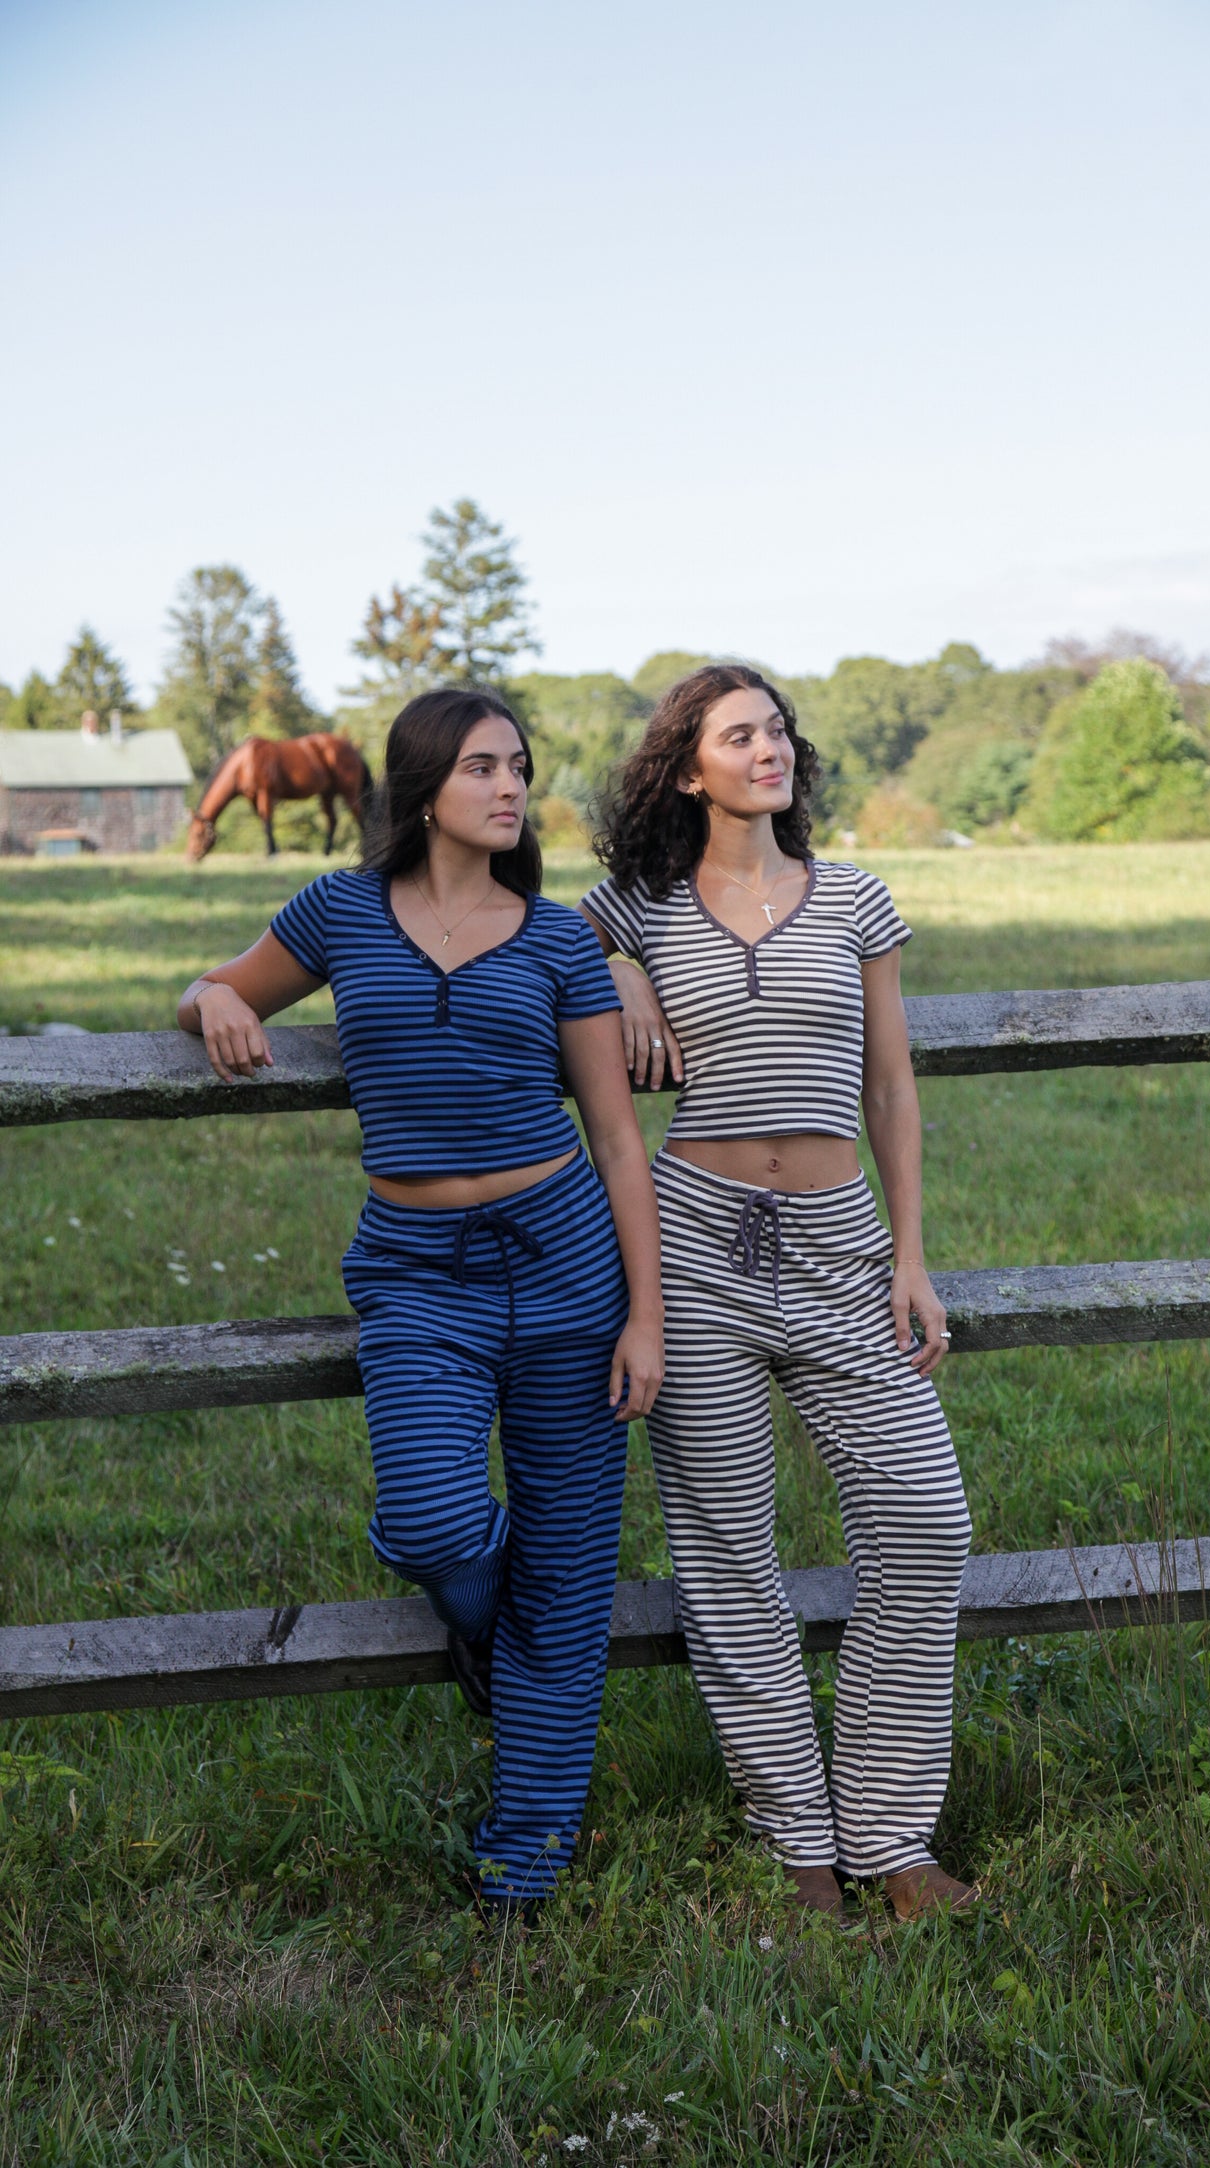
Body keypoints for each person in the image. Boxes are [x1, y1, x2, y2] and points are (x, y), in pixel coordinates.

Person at [178, 687, 664, 1911]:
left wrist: (644, 1314)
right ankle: (494, 1637)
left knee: (565, 1560)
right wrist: (217, 996)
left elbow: (614, 1141)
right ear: (421, 784)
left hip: (564, 1256)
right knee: (436, 1521)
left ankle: (526, 1848)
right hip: (412, 1268)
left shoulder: (557, 940)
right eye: (484, 767)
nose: (511, 788)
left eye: (520, 768)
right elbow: (216, 989)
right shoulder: (340, 909)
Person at [580, 662, 974, 1922]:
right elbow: (540, 927)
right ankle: (801, 1840)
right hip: (690, 1245)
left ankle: (890, 1834)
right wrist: (623, 966)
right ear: (686, 767)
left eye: (777, 731)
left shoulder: (853, 897)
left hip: (837, 1244)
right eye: (738, 734)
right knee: (726, 1548)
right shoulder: (636, 902)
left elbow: (891, 1087)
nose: (770, 749)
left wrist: (907, 1255)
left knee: (923, 1518)